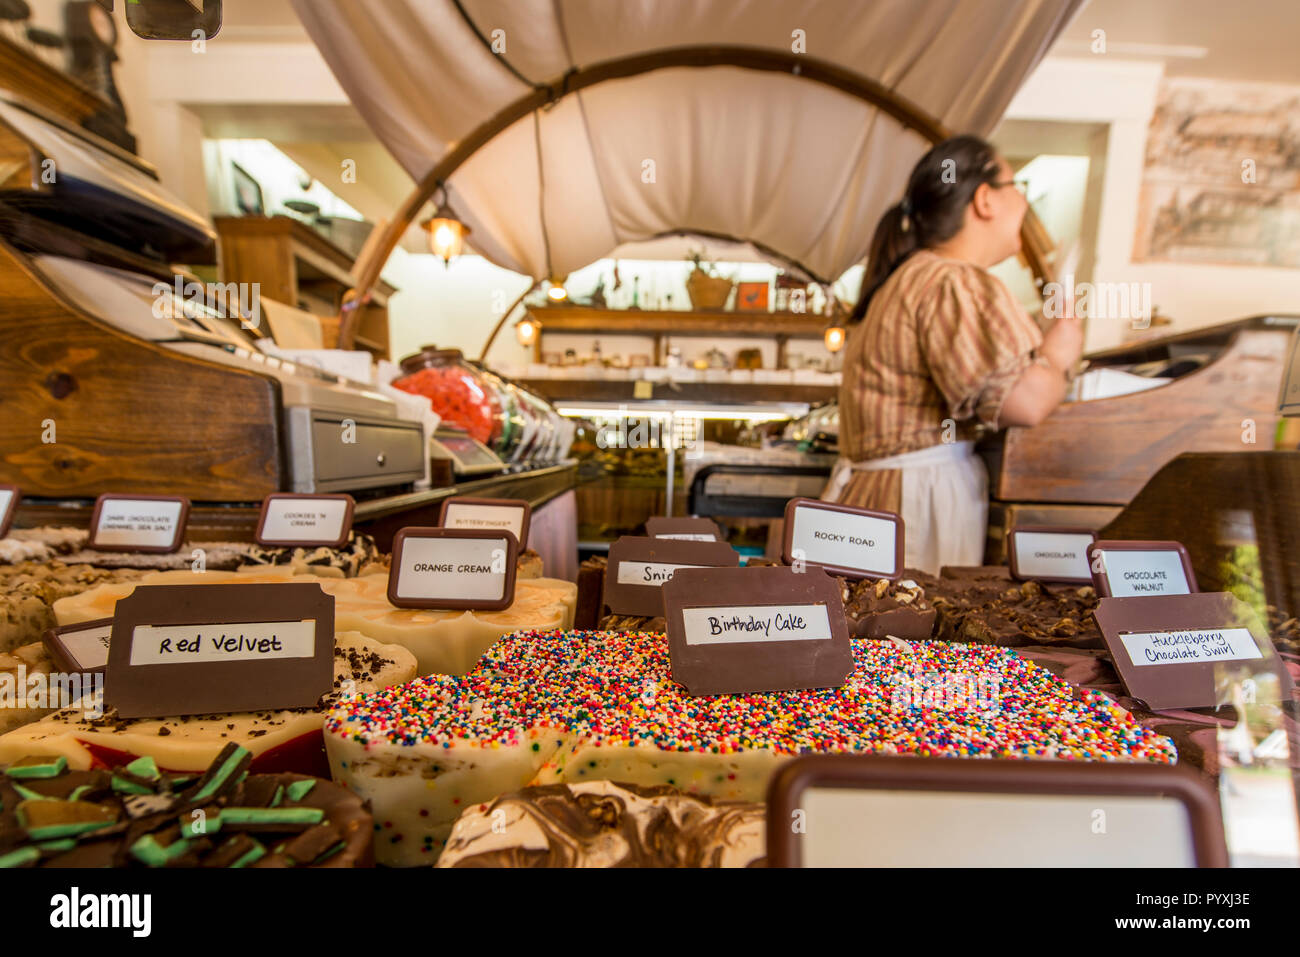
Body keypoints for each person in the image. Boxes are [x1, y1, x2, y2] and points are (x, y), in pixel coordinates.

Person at [823, 134, 1084, 575]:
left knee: (878, 641)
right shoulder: (954, 281)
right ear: (985, 199)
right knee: (911, 638)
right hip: (914, 506)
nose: (1024, 202)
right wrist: (1058, 353)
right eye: (1016, 185)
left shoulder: (910, 277)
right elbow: (1024, 401)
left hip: (882, 495)